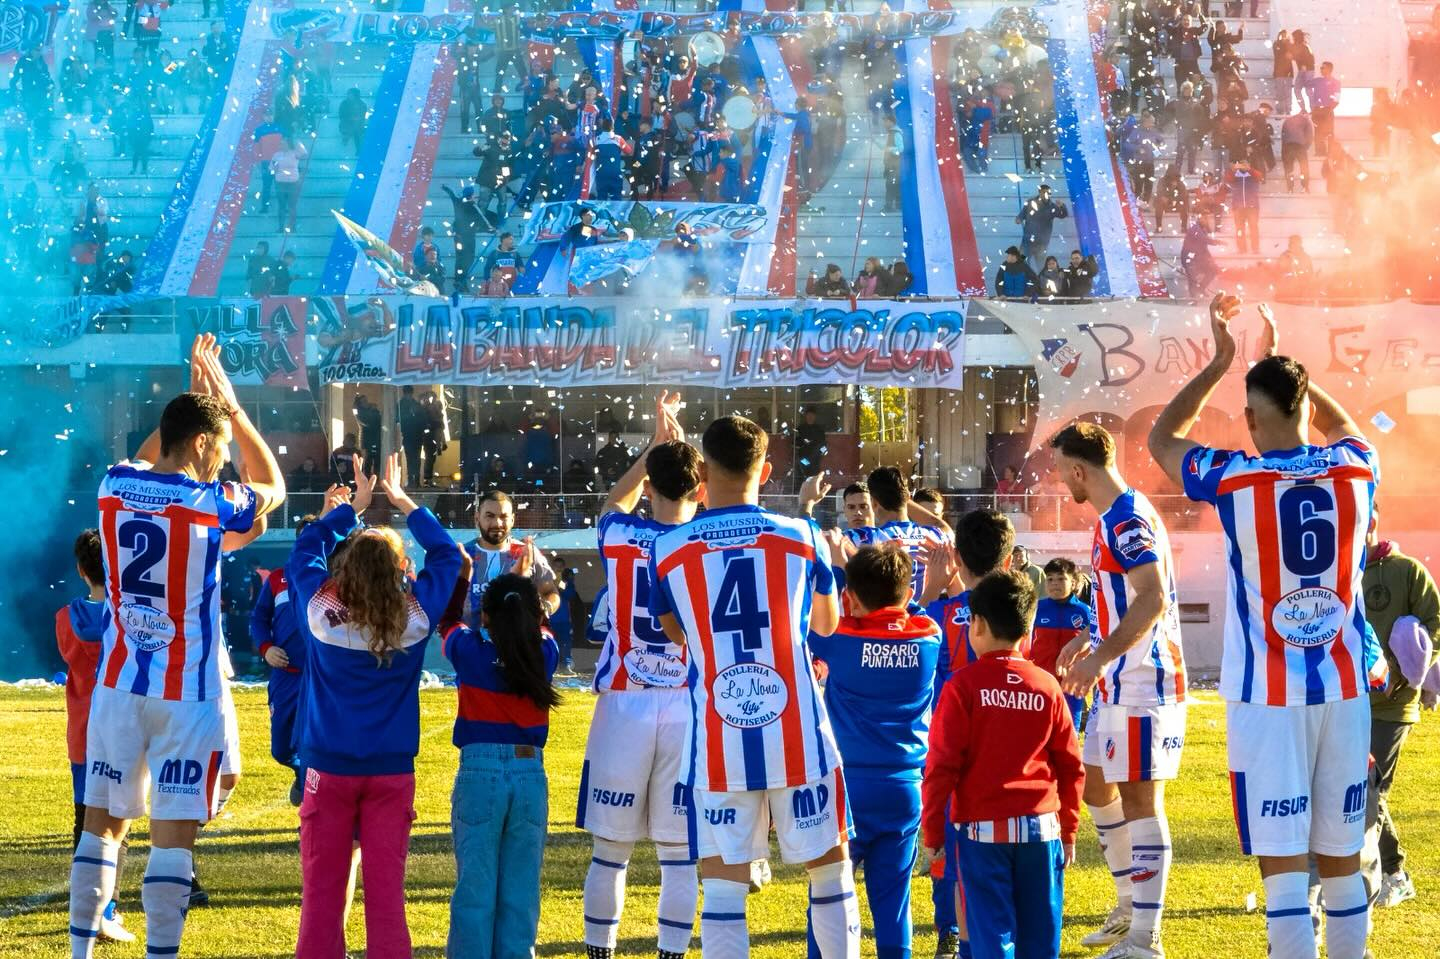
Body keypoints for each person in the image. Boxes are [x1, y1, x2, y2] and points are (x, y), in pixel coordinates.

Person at [1147, 293, 1377, 959]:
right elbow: (1349, 428)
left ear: (1248, 418)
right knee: (1339, 854)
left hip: (1269, 699)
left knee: (1281, 864)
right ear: (1307, 407)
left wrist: (1221, 360)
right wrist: (1288, 366)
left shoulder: (1237, 478)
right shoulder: (1357, 468)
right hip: (1343, 690)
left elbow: (1162, 439)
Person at [70, 336, 285, 959]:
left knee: (101, 829)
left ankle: (79, 952)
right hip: (185, 692)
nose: (222, 460)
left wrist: (190, 403)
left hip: (118, 685)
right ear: (200, 444)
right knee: (172, 839)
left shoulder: (115, 483)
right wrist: (232, 408)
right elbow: (269, 484)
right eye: (216, 448)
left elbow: (148, 455)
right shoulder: (208, 502)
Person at [647, 415, 855, 958]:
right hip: (800, 735)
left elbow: (678, 633)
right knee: (829, 873)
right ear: (766, 469)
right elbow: (828, 625)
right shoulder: (804, 535)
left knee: (722, 886)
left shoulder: (667, 550)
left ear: (701, 472)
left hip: (719, 742)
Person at [288, 455, 462, 958]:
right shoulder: (416, 616)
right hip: (391, 772)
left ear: (345, 569)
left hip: (328, 767)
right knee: (387, 898)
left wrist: (348, 510)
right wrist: (404, 502)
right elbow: (447, 555)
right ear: (399, 569)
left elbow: (305, 549)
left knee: (322, 895)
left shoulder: (320, 610)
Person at [1049, 421, 1187, 959]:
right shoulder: (1115, 516)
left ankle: (1144, 941)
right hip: (1116, 678)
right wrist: (1089, 637)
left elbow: (1152, 598)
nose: (1064, 483)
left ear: (1079, 469)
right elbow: (1123, 595)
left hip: (1142, 682)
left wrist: (1102, 656)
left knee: (1139, 801)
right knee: (1096, 785)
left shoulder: (1127, 518)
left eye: (1063, 473)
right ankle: (1130, 904)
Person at [580, 394, 702, 959]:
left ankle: (599, 948)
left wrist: (655, 445)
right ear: (699, 491)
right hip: (686, 704)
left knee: (611, 850)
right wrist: (673, 451)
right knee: (679, 852)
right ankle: (671, 952)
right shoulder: (707, 544)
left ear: (650, 487)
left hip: (625, 702)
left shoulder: (622, 535)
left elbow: (612, 501)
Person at [921, 570, 1084, 959]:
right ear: (1028, 629)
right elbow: (1070, 765)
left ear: (975, 624)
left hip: (982, 833)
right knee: (1041, 938)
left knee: (990, 936)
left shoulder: (962, 686)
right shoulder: (1047, 686)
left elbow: (941, 766)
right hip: (1042, 831)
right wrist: (1069, 829)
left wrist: (933, 834)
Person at [807, 546, 941, 959]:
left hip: (846, 788)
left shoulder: (839, 638)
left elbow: (816, 618)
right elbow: (908, 609)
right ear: (906, 592)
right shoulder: (928, 637)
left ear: (853, 597)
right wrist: (913, 590)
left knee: (829, 893)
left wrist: (839, 571)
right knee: (893, 899)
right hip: (904, 787)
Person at [441, 565, 560, 959]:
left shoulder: (469, 649)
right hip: (529, 773)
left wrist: (462, 578)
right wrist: (544, 589)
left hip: (479, 772)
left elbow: (449, 621)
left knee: (475, 890)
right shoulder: (545, 651)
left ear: (486, 615)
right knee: (521, 891)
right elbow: (544, 620)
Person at [916, 508, 1017, 959]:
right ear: (1011, 560)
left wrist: (929, 592)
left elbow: (899, 644)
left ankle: (950, 932)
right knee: (1003, 848)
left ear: (956, 557)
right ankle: (992, 929)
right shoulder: (1020, 618)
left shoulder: (938, 614)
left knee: (949, 845)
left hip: (948, 751)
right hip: (1008, 754)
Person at [57, 529, 135, 944]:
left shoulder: (65, 618)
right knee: (116, 825)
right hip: (121, 731)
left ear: (79, 570)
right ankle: (107, 909)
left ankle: (86, 907)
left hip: (82, 734)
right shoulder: (126, 617)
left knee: (84, 822)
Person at [1362, 507, 1440, 909]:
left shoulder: (1408, 570)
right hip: (1351, 700)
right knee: (1361, 789)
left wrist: (1410, 672)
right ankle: (1379, 874)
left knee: (1369, 789)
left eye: (1364, 519)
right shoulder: (1342, 571)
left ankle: (1392, 875)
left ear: (1373, 520)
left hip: (1395, 706)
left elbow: (1435, 623)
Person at [251, 517, 312, 807]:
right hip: (285, 675)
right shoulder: (278, 579)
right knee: (280, 749)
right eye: (302, 538)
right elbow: (259, 618)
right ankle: (301, 772)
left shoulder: (331, 578)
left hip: (318, 677)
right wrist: (266, 648)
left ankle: (314, 797)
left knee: (314, 742)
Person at [465, 490, 558, 631]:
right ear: (477, 518)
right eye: (489, 516)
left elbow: (550, 591)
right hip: (471, 646)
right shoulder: (461, 555)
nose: (497, 523)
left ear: (513, 520)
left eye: (504, 517)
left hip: (517, 648)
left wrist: (545, 608)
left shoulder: (527, 553)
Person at [868, 465, 952, 597]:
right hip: (927, 616)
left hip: (893, 616)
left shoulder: (871, 539)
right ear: (907, 497)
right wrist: (903, 496)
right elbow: (940, 524)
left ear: (873, 503)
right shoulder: (935, 536)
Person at [1033, 558, 1093, 730]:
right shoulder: (1036, 608)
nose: (1055, 584)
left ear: (1073, 582)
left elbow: (1095, 643)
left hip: (1072, 682)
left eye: (1061, 579)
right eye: (1050, 579)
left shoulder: (1084, 611)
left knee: (1069, 729)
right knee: (1040, 728)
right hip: (1041, 681)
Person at [1015, 185, 1069, 270]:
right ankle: (1025, 282)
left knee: (1041, 267)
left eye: (1049, 193)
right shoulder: (1030, 203)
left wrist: (1062, 206)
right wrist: (1019, 219)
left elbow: (1063, 215)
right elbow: (1021, 215)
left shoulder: (1052, 206)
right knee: (1022, 265)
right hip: (1027, 242)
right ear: (1040, 192)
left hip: (1042, 243)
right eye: (1044, 192)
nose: (1047, 194)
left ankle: (1041, 282)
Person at [1308, 62, 1340, 157]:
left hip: (1327, 110)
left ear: (1329, 69)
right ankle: (1319, 152)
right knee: (1318, 132)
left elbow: (1337, 99)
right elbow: (1306, 84)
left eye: (1323, 68)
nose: (1321, 69)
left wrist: (1329, 109)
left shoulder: (1336, 82)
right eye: (1321, 68)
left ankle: (1331, 153)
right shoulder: (1317, 81)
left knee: (1329, 132)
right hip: (1317, 110)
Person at [1280, 108, 1314, 193]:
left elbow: (1283, 136)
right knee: (1304, 167)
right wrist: (1305, 147)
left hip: (1287, 146)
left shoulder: (1288, 120)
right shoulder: (1307, 120)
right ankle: (1305, 187)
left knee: (1289, 169)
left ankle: (1290, 188)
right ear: (1306, 114)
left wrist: (1284, 152)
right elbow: (1310, 136)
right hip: (1299, 146)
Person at [794, 407, 828, 486]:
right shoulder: (801, 429)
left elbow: (823, 444)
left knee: (814, 478)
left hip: (815, 459)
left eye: (812, 415)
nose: (810, 417)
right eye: (808, 415)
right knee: (803, 477)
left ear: (815, 417)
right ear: (805, 416)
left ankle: (813, 493)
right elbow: (796, 443)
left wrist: (823, 452)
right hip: (803, 458)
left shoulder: (819, 430)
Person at [353, 395, 381, 474]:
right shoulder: (360, 412)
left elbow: (379, 419)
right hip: (367, 440)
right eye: (364, 401)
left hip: (376, 439)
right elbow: (366, 423)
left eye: (366, 400)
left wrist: (374, 410)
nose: (367, 403)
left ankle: (376, 477)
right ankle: (367, 477)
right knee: (368, 459)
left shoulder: (372, 410)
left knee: (377, 459)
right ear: (360, 404)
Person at [337, 88, 367, 156]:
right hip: (346, 122)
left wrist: (356, 119)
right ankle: (345, 137)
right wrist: (350, 118)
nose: (349, 96)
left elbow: (362, 116)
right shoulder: (344, 103)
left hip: (357, 124)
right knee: (350, 126)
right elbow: (341, 115)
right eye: (348, 94)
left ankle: (358, 149)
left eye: (351, 94)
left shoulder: (362, 104)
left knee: (357, 129)